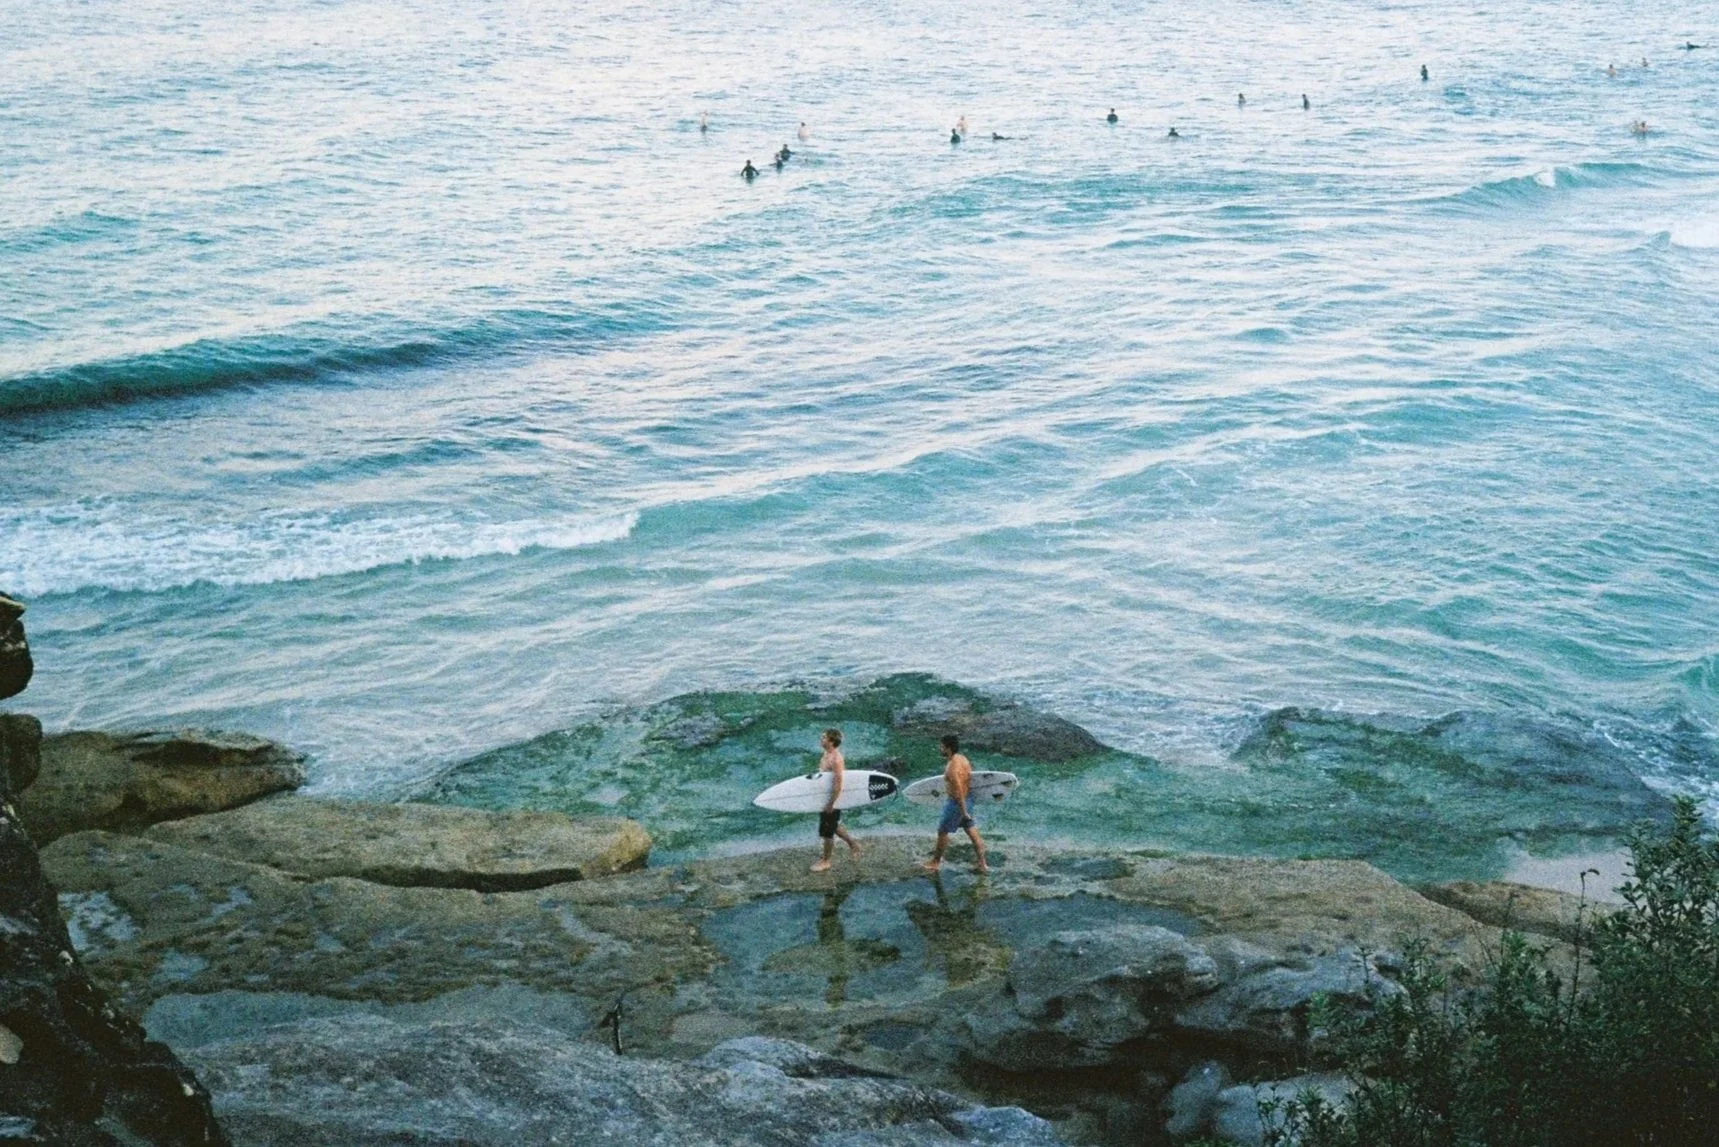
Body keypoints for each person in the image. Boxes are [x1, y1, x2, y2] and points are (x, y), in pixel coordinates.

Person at [920, 735, 989, 874]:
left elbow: (957, 791)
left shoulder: (952, 768)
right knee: (971, 830)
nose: (940, 749)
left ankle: (935, 862)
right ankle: (983, 863)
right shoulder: (963, 759)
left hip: (956, 804)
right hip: (968, 799)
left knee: (942, 832)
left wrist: (963, 812)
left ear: (948, 748)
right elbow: (969, 780)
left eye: (941, 746)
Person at [812, 728, 860, 872]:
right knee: (833, 826)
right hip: (825, 797)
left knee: (827, 831)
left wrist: (831, 803)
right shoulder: (827, 753)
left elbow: (838, 784)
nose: (821, 739)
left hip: (833, 799)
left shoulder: (836, 759)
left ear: (831, 742)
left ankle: (826, 861)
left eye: (824, 737)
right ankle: (853, 845)